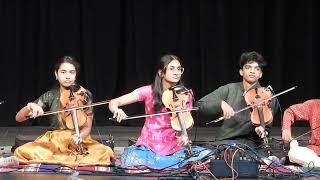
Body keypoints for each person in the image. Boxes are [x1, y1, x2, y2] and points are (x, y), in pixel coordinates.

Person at [108, 54, 211, 169]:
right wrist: (117, 110)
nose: (176, 72)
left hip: (174, 146)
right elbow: (114, 102)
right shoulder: (148, 91)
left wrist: (183, 136)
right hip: (150, 145)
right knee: (135, 159)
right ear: (161, 72)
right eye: (171, 68)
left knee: (207, 155)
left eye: (179, 69)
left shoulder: (184, 94)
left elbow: (184, 124)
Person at [14, 56, 114, 166]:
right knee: (21, 151)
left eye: (72, 72)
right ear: (56, 74)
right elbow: (18, 118)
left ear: (75, 75)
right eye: (63, 72)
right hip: (54, 142)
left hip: (78, 140)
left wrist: (80, 136)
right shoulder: (50, 95)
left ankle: (58, 161)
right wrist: (30, 106)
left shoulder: (84, 95)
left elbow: (87, 127)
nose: (67, 76)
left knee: (103, 153)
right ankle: (69, 161)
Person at [197, 51, 278, 148]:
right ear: (241, 72)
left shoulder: (267, 95)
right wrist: (220, 103)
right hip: (226, 142)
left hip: (252, 145)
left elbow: (267, 126)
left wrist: (262, 130)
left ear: (260, 74)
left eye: (257, 69)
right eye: (248, 67)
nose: (252, 71)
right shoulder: (229, 89)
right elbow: (200, 105)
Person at [282, 99, 320, 167]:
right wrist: (286, 129)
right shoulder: (315, 105)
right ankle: (314, 163)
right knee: (293, 153)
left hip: (314, 158)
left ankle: (312, 164)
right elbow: (290, 112)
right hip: (315, 151)